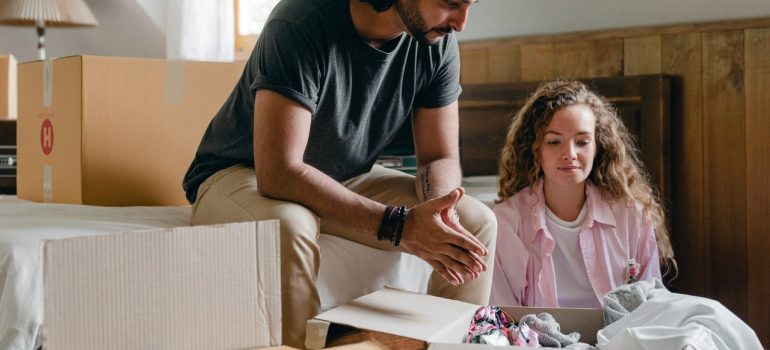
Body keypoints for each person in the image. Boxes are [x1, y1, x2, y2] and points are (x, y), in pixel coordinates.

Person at [183, 0, 497, 346]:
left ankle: (445, 344)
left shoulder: (436, 44)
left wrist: (442, 213)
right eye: (451, 3)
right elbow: (280, 171)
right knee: (291, 224)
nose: (462, 22)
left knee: (474, 222)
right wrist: (398, 225)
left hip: (344, 174)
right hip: (242, 171)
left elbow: (439, 157)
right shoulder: (300, 21)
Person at [490, 80, 676, 308]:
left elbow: (652, 302)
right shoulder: (505, 223)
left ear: (598, 146)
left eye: (582, 142)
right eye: (554, 141)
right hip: (537, 341)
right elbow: (501, 314)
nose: (570, 154)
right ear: (536, 148)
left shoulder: (631, 214)